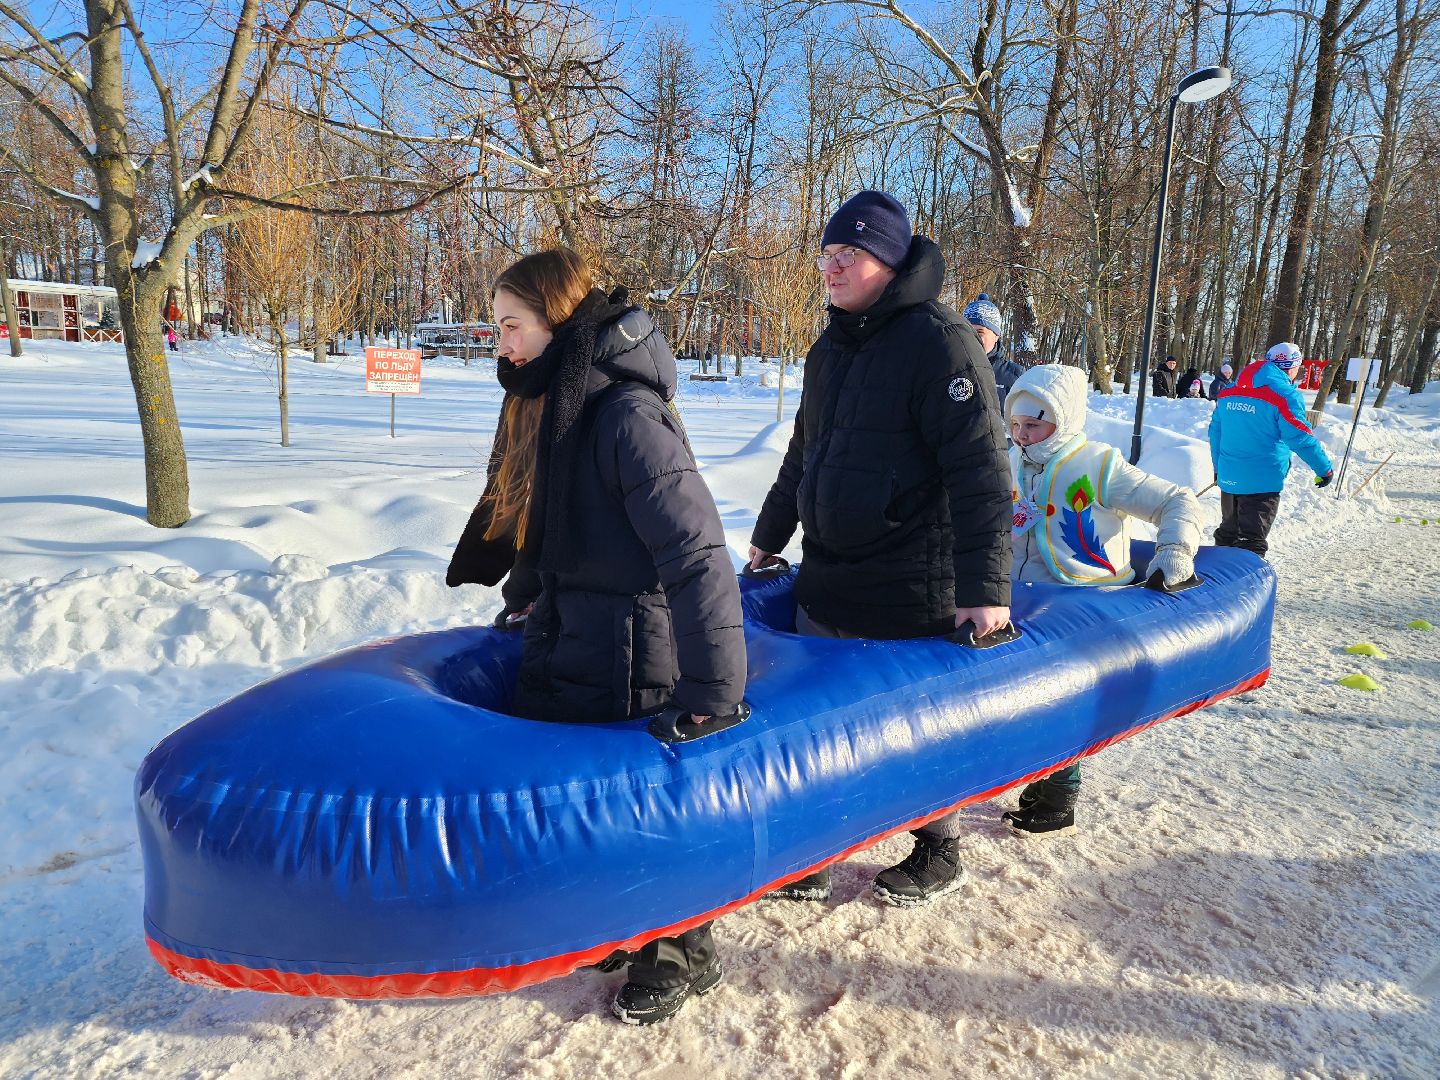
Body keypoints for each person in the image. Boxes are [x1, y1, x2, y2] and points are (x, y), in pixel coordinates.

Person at [446, 248, 747, 1026]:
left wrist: (716, 690)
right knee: (589, 804)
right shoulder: (554, 401)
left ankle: (684, 946)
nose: (502, 343)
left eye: (512, 326)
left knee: (650, 806)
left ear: (556, 321)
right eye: (498, 327)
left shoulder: (624, 416)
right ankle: (621, 923)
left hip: (634, 645)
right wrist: (524, 595)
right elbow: (542, 524)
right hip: (567, 629)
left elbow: (696, 550)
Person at [748, 190, 1011, 907]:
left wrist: (986, 590)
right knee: (824, 727)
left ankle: (939, 845)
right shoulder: (828, 346)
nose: (832, 269)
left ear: (889, 263)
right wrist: (770, 538)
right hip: (829, 578)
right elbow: (803, 452)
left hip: (909, 580)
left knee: (913, 730)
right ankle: (821, 847)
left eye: (849, 256)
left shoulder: (942, 343)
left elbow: (982, 471)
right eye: (827, 256)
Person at [1003, 364, 1203, 834]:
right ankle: (1043, 777)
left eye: (1034, 424)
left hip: (1083, 604)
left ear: (1064, 418)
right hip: (1022, 600)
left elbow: (1177, 500)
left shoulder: (1098, 465)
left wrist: (1174, 550)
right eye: (1015, 425)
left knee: (1061, 699)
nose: (1022, 435)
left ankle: (1060, 792)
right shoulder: (1011, 462)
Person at [1209, 341, 1334, 558]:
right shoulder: (1284, 396)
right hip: (1262, 482)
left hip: (1229, 477)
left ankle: (1215, 582)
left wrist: (1218, 468)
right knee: (1251, 543)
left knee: (1227, 535)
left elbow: (1215, 433)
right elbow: (1300, 438)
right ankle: (1244, 589)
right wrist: (1324, 469)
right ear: (1292, 367)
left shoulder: (1229, 392)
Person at [964, 292, 1024, 408]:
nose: (973, 338)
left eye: (980, 332)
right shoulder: (951, 369)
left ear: (996, 335)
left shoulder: (1014, 376)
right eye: (967, 331)